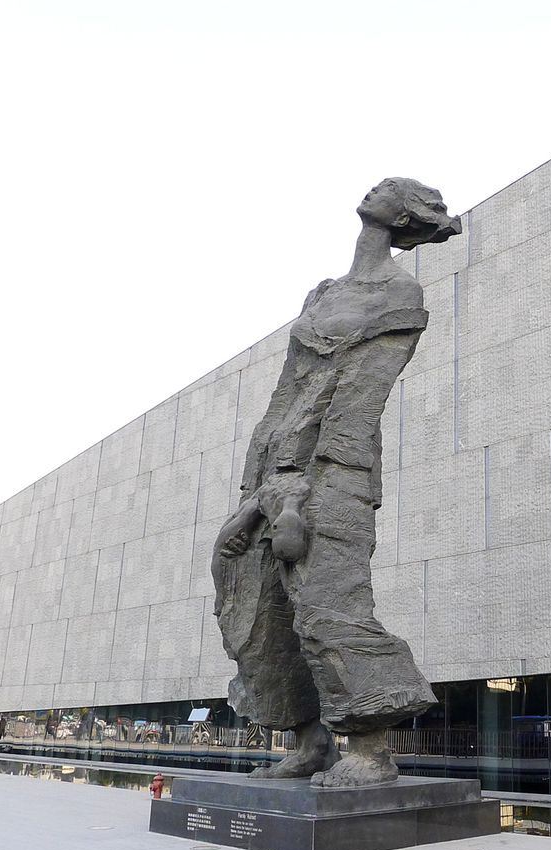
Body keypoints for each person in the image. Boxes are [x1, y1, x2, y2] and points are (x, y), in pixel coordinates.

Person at [211, 178, 460, 787]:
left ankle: (370, 748)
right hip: (274, 470)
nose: (377, 188)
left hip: (334, 470)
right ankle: (309, 741)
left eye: (391, 188)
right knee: (259, 609)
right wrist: (261, 485)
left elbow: (360, 399)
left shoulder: (400, 293)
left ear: (403, 217)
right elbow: (285, 392)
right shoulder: (323, 293)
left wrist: (301, 485)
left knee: (328, 605)